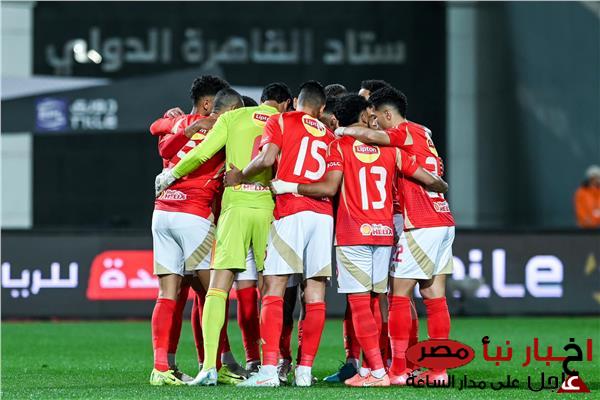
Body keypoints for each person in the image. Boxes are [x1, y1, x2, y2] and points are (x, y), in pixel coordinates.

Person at [271, 94, 448, 387]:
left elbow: (330, 185)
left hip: (353, 233)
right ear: (365, 116)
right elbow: (429, 177)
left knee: (360, 304)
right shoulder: (392, 150)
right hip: (384, 233)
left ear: (339, 120)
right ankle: (377, 367)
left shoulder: (338, 144)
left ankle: (379, 371)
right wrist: (441, 185)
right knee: (379, 301)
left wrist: (289, 185)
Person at [155, 82, 293, 386]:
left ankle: (209, 368)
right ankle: (269, 368)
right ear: (284, 104)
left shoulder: (233, 118)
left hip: (234, 207)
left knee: (215, 289)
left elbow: (201, 152)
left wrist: (171, 174)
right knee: (271, 288)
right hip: (268, 208)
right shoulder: (282, 121)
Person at [335, 87, 455, 385]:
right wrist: (440, 186)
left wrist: (343, 130)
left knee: (399, 294)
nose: (374, 124)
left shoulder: (403, 131)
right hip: (442, 218)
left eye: (376, 117)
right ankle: (438, 371)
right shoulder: (423, 133)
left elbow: (374, 138)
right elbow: (436, 180)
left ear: (388, 114)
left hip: (420, 221)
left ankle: (399, 369)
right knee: (434, 295)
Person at [228, 81, 334, 387]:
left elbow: (266, 159)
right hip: (323, 216)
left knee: (273, 288)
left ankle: (269, 371)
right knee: (314, 293)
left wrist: (239, 176)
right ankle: (304, 371)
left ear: (295, 103)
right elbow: (331, 182)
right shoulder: (328, 136)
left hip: (291, 211)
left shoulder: (281, 121)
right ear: (322, 108)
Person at [148, 76, 230, 386]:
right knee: (214, 295)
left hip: (163, 213)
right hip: (193, 216)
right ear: (209, 104)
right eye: (223, 104)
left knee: (167, 294)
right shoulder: (220, 127)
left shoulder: (175, 122)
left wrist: (179, 123)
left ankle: (161, 368)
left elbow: (156, 130)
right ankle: (214, 364)